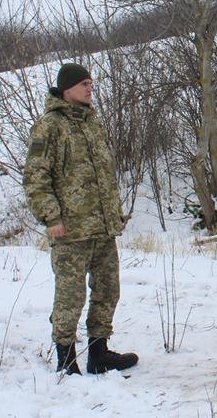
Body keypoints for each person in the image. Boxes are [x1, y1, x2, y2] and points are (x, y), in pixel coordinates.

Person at [23, 63, 139, 374]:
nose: (90, 88)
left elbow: (103, 174)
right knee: (70, 297)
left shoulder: (92, 123)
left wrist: (113, 215)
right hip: (70, 231)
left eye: (91, 83)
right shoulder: (49, 126)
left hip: (101, 229)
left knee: (107, 291)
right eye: (83, 84)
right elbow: (36, 178)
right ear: (66, 89)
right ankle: (66, 359)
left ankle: (99, 354)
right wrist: (51, 217)